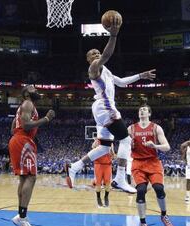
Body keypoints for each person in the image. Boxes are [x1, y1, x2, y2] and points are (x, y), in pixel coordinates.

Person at [65, 15, 156, 194]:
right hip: (105, 108)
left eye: (97, 53)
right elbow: (106, 55)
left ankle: (74, 167)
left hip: (101, 109)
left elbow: (121, 82)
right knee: (126, 140)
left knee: (105, 146)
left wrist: (140, 76)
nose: (97, 55)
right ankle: (120, 179)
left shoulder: (105, 70)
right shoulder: (94, 69)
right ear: (88, 59)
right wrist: (113, 35)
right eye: (93, 54)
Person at [9, 85, 55, 226]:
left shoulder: (23, 107)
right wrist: (46, 119)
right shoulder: (28, 103)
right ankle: (22, 218)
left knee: (24, 179)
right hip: (23, 141)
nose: (37, 91)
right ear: (27, 93)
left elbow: (12, 129)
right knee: (31, 177)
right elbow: (26, 125)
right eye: (34, 89)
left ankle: (21, 216)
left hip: (17, 139)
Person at [128, 105, 173, 226]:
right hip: (138, 163)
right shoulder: (131, 128)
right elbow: (124, 144)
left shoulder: (156, 128)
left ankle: (164, 215)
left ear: (149, 113)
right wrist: (127, 144)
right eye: (140, 109)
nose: (142, 111)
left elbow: (167, 147)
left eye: (144, 109)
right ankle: (143, 224)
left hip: (153, 162)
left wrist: (155, 146)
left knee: (159, 188)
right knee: (141, 191)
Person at [92, 139, 115, 207]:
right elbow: (93, 148)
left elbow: (113, 156)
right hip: (98, 164)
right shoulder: (97, 141)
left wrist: (111, 151)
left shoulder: (111, 143)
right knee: (98, 183)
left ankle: (106, 197)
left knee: (108, 183)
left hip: (107, 165)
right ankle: (98, 198)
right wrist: (96, 143)